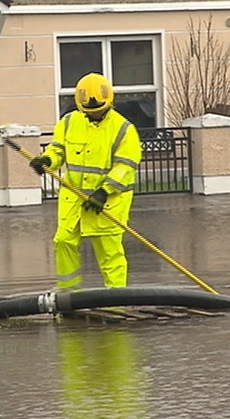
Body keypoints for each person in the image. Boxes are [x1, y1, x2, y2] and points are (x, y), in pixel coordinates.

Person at [29, 72, 142, 291]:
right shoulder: (70, 121)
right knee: (63, 242)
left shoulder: (123, 129)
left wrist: (104, 191)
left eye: (99, 111)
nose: (94, 115)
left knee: (110, 254)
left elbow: (125, 166)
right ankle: (69, 295)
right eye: (89, 112)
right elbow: (58, 149)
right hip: (74, 200)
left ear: (109, 103)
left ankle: (116, 302)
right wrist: (47, 160)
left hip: (107, 203)